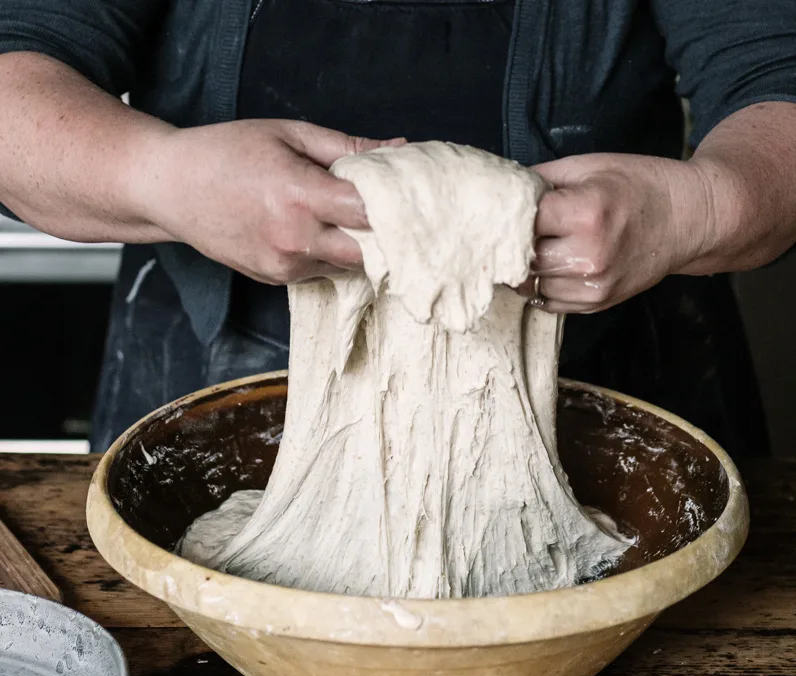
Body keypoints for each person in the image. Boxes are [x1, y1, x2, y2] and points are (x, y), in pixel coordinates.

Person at [0, 1, 794, 458]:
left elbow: (777, 83)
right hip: (210, 398)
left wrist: (700, 207)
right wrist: (161, 177)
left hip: (616, 394)